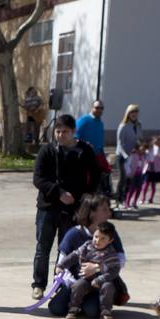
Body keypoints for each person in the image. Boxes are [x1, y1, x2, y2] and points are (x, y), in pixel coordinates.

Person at [30, 113, 104, 298]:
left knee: (67, 250)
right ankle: (38, 284)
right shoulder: (47, 151)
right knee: (42, 247)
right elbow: (38, 179)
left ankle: (61, 284)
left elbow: (95, 176)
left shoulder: (85, 151)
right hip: (48, 207)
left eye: (65, 132)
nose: (60, 135)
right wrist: (59, 193)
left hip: (73, 209)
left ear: (73, 132)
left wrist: (86, 196)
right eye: (58, 131)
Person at [58, 221, 125, 319]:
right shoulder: (87, 246)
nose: (98, 241)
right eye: (96, 236)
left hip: (103, 281)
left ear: (110, 240)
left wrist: (100, 279)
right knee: (78, 285)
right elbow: (74, 255)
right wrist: (61, 265)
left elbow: (114, 271)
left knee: (108, 287)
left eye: (103, 239)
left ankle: (106, 311)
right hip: (86, 278)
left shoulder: (111, 254)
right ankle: (74, 308)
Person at [115, 105, 143, 203]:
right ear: (128, 113)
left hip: (133, 156)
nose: (134, 114)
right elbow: (120, 143)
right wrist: (125, 155)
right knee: (123, 178)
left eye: (136, 112)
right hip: (122, 156)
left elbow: (139, 139)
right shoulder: (123, 126)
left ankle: (125, 199)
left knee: (131, 179)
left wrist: (140, 147)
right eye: (132, 112)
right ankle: (118, 199)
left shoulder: (139, 125)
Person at [75, 100, 106, 165]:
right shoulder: (83, 120)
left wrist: (102, 154)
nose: (99, 110)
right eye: (97, 108)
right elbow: (74, 137)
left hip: (97, 157)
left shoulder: (101, 123)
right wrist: (85, 145)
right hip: (84, 157)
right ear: (92, 108)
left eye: (101, 108)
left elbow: (100, 141)